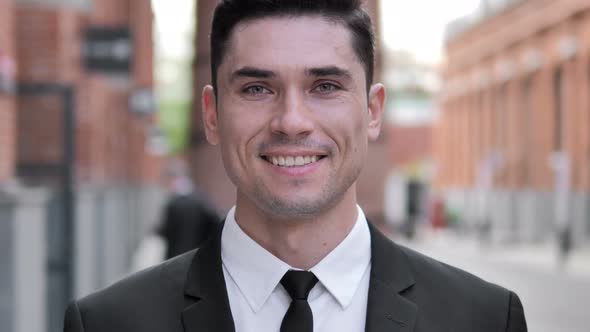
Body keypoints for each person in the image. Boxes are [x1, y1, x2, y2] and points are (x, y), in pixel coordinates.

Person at [63, 1, 528, 331]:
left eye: (325, 86)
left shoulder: (484, 318)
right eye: (256, 89)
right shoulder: (109, 322)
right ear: (211, 115)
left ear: (372, 111)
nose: (291, 122)